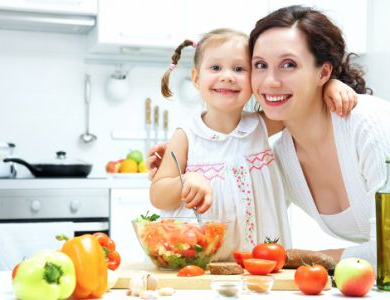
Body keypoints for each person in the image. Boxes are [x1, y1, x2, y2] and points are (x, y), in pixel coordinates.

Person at [150, 28, 356, 261]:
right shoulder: (187, 135)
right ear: (196, 78)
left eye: (239, 69)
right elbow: (158, 195)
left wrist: (330, 86)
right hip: (200, 257)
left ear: (252, 80)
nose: (227, 76)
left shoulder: (262, 125)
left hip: (259, 258)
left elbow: (304, 102)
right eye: (215, 68)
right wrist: (186, 180)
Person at [247, 5, 390, 268]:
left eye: (288, 64)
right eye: (260, 65)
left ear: (323, 72)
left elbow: (388, 249)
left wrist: (300, 258)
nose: (270, 81)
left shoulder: (368, 124)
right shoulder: (280, 155)